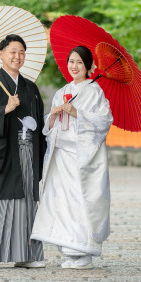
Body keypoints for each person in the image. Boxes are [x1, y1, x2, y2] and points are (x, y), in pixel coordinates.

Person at [30, 45, 113, 270]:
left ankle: (82, 252)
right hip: (61, 156)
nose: (74, 66)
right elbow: (50, 127)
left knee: (80, 202)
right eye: (71, 61)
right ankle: (68, 250)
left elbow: (104, 121)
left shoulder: (94, 92)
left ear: (87, 66)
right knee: (61, 203)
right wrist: (53, 116)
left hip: (82, 158)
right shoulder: (62, 91)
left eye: (79, 62)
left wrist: (78, 112)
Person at [0, 33, 47, 270]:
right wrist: (4, 109)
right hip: (3, 152)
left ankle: (26, 254)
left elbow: (39, 124)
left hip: (27, 152)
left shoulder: (31, 88)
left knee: (27, 202)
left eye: (22, 52)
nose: (18, 56)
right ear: (1, 54)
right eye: (13, 51)